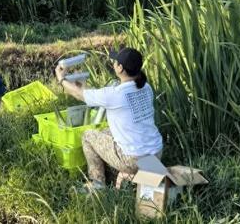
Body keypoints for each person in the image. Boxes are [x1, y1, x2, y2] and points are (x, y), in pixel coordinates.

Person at [57, 47, 163, 191]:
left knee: (88, 136)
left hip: (133, 160)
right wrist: (83, 88)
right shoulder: (146, 88)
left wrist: (61, 79)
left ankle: (97, 184)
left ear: (120, 68)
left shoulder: (115, 95)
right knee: (105, 132)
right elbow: (89, 94)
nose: (113, 63)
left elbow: (79, 95)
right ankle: (120, 175)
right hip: (155, 154)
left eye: (116, 61)